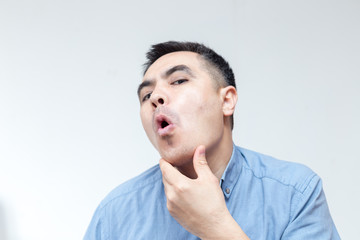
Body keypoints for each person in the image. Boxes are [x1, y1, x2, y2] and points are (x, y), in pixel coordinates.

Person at [84, 41, 340, 239]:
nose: (156, 97)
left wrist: (215, 227)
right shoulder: (114, 214)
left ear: (226, 100)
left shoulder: (296, 194)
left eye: (178, 81)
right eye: (146, 94)